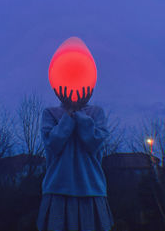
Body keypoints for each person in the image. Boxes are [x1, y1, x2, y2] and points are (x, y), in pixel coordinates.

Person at [37, 86, 114, 231]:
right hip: (57, 191)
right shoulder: (50, 113)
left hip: (91, 190)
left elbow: (93, 142)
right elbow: (54, 144)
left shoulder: (96, 113)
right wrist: (69, 114)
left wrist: (79, 114)